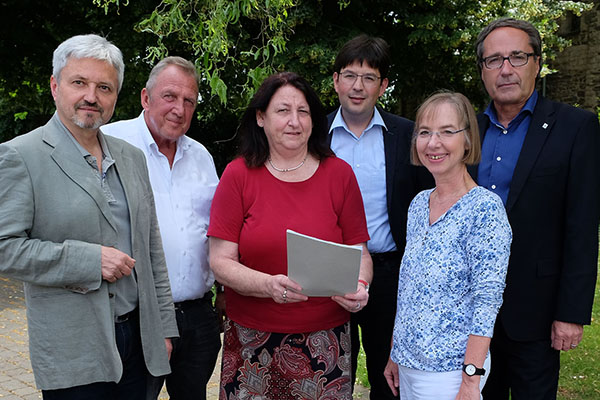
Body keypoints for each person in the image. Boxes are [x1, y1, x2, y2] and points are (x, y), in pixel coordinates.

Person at [0, 34, 178, 398]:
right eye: (79, 82)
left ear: (116, 96)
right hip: (73, 348)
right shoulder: (21, 155)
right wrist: (88, 260)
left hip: (139, 342)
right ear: (55, 86)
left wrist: (164, 328)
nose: (91, 97)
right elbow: (5, 248)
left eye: (104, 87)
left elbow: (151, 250)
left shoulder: (132, 157)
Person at [207, 71, 373, 399]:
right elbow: (220, 260)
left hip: (325, 340)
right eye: (283, 111)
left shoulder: (339, 174)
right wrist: (267, 285)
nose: (294, 121)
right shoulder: (238, 175)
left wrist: (361, 286)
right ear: (260, 117)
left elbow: (360, 251)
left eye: (303, 111)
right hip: (251, 339)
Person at [472, 18, 600, 400]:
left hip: (538, 312)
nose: (506, 69)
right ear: (482, 71)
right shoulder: (467, 130)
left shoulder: (576, 127)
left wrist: (572, 313)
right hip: (473, 313)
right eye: (494, 60)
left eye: (517, 57)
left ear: (537, 63)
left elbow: (582, 226)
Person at [102, 56, 221, 400]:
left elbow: (213, 229)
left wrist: (224, 290)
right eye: (170, 96)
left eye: (189, 101)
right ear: (145, 98)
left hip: (198, 315)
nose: (179, 109)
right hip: (139, 316)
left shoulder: (200, 155)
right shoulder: (111, 143)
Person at [383, 91, 512, 399]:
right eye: (424, 132)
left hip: (450, 376)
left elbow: (487, 302)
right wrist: (394, 352)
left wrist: (470, 381)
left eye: (446, 131)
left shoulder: (485, 209)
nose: (433, 142)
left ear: (467, 140)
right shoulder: (418, 204)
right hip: (409, 368)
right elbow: (409, 288)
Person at [328, 34, 433, 399]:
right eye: (350, 75)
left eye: (369, 77)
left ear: (384, 85)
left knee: (389, 378)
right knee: (331, 373)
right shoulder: (314, 137)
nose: (358, 86)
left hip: (392, 274)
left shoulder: (408, 135)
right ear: (336, 80)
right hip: (331, 270)